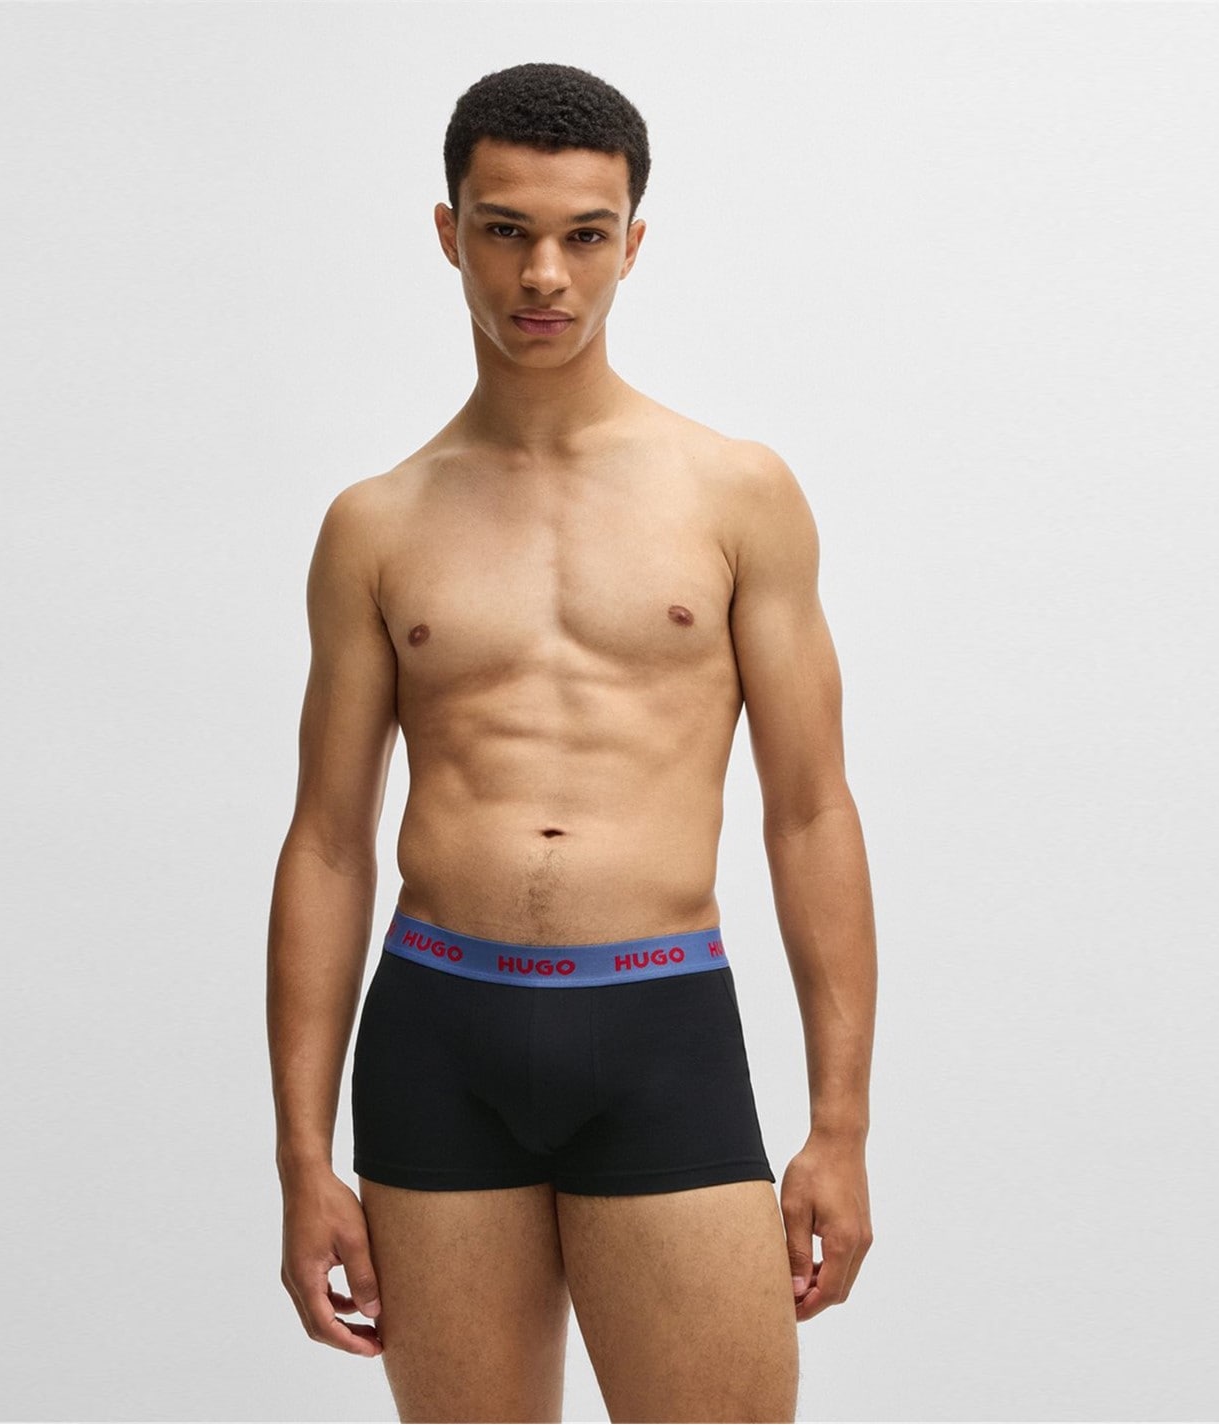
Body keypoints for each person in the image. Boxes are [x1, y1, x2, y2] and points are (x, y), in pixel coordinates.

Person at [267, 60, 877, 1424]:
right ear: (450, 233)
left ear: (631, 244)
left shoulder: (735, 495)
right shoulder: (376, 524)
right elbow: (327, 842)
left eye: (583, 236)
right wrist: (302, 1157)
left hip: (658, 1024)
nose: (543, 274)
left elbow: (810, 811)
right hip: (437, 1032)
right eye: (506, 231)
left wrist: (839, 1125)